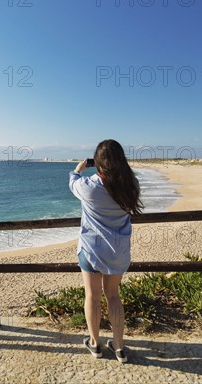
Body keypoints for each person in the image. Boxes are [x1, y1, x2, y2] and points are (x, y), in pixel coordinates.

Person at [69, 139, 143, 363]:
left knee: (92, 295)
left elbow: (73, 183)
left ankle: (95, 343)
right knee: (113, 296)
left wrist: (78, 169)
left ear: (98, 162)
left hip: (92, 250)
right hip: (118, 251)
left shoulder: (89, 186)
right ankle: (119, 348)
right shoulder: (131, 186)